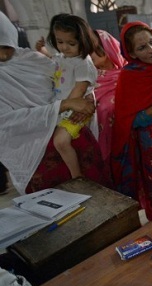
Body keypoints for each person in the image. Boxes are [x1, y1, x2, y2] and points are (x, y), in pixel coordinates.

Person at [0, 11, 101, 195]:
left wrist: (81, 102)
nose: (3, 52)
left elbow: (68, 79)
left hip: (70, 124)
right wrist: (65, 105)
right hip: (34, 151)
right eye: (60, 42)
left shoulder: (29, 58)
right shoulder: (60, 56)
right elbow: (6, 122)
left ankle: (79, 178)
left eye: (6, 45)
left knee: (95, 197)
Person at [111, 21, 152, 221]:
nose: (151, 49)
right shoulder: (129, 77)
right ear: (131, 53)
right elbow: (127, 121)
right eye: (142, 47)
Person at [35, 13, 98, 179]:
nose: (64, 47)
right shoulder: (64, 57)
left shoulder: (83, 63)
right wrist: (41, 50)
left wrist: (63, 109)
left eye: (71, 43)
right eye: (59, 42)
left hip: (76, 110)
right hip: (63, 106)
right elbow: (53, 58)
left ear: (82, 41)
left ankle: (76, 176)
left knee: (60, 141)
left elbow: (78, 91)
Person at [91, 30, 127, 165]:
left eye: (93, 49)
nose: (88, 55)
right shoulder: (87, 79)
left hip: (128, 144)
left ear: (107, 47)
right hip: (100, 149)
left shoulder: (128, 75)